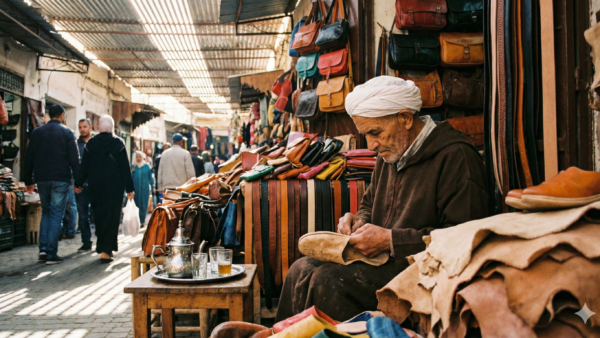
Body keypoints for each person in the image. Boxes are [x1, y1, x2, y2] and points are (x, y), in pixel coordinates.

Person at [276, 76, 490, 321]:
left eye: (375, 133)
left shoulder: (456, 157)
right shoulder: (390, 153)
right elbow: (369, 205)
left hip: (421, 271)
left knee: (329, 283)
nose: (371, 144)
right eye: (365, 134)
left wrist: (390, 241)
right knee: (300, 270)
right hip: (382, 261)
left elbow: (464, 239)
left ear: (406, 119)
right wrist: (358, 219)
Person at [24, 105, 79, 265]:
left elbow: (29, 157)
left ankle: (43, 249)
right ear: (62, 116)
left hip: (42, 179)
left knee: (46, 213)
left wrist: (28, 180)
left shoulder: (37, 132)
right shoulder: (67, 133)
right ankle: (50, 254)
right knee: (56, 214)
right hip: (60, 179)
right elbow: (75, 160)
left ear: (49, 115)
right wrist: (79, 181)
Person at [75, 115, 134, 263]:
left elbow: (84, 167)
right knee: (112, 218)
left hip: (96, 188)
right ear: (112, 126)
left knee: (99, 217)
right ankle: (107, 250)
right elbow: (125, 168)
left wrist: (79, 183)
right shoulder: (118, 143)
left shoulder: (91, 143)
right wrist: (129, 188)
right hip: (114, 188)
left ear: (99, 126)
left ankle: (101, 247)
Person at [75, 118, 93, 252]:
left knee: (97, 214)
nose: (82, 129)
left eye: (85, 126)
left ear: (90, 127)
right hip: (81, 185)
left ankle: (102, 242)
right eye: (80, 127)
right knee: (82, 215)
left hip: (95, 184)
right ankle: (86, 242)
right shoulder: (76, 144)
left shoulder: (96, 143)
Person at [131, 151, 154, 225]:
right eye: (137, 157)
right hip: (135, 189)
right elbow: (129, 177)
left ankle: (142, 221)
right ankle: (137, 220)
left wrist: (153, 187)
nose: (138, 158)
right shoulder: (133, 167)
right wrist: (133, 168)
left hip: (145, 189)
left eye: (139, 157)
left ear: (142, 157)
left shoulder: (146, 166)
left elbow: (150, 178)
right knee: (136, 204)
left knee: (144, 205)